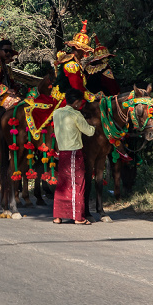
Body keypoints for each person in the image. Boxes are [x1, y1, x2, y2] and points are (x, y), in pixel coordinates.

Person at [51, 88, 96, 225]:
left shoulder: (57, 112)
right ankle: (78, 217)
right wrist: (94, 125)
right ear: (76, 102)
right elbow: (89, 132)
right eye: (80, 101)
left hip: (62, 152)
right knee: (77, 184)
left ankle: (58, 216)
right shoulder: (76, 114)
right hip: (74, 152)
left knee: (62, 184)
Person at [51, 20, 96, 103]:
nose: (84, 55)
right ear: (78, 50)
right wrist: (92, 97)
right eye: (83, 52)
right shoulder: (72, 65)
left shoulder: (69, 59)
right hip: (66, 99)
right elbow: (76, 87)